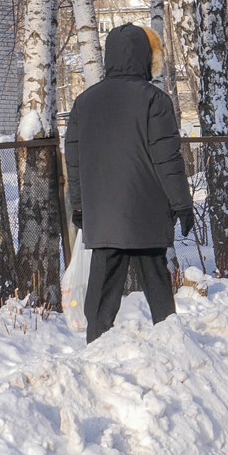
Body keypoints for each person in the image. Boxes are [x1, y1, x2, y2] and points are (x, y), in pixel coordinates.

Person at [65, 24, 195, 343]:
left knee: (100, 300)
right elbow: (168, 160)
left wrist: (79, 203)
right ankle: (172, 350)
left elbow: (75, 159)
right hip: (146, 215)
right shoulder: (155, 100)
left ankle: (96, 351)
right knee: (159, 293)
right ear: (143, 57)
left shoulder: (85, 102)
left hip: (104, 217)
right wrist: (181, 204)